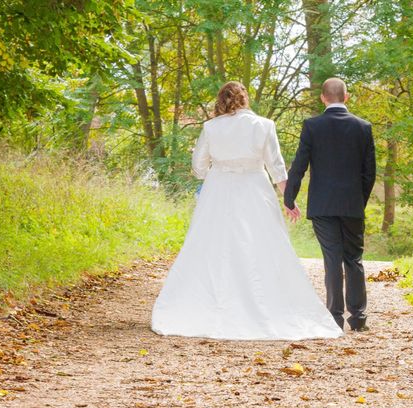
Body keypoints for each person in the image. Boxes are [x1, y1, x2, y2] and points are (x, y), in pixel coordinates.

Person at [151, 81, 342, 340]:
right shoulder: (264, 125)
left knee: (213, 245)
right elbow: (276, 168)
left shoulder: (210, 127)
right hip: (255, 188)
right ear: (245, 98)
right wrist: (289, 200)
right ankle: (267, 303)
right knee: (262, 243)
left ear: (221, 100)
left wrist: (217, 170)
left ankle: (211, 302)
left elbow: (198, 167)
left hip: (218, 190)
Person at [284, 78, 376, 331]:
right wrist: (359, 200)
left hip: (322, 205)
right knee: (354, 259)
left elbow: (300, 165)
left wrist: (289, 198)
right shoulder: (363, 127)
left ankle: (334, 317)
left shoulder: (312, 126)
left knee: (332, 259)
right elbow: (370, 173)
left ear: (323, 98)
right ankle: (358, 318)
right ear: (346, 97)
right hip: (352, 204)